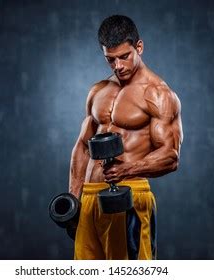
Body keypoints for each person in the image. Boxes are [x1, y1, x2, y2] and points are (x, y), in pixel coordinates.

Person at [68, 15, 183, 260]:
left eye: (124, 56)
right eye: (110, 60)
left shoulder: (158, 94)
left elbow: (171, 156)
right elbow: (82, 147)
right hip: (89, 199)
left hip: (129, 196)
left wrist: (128, 169)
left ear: (138, 47)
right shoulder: (98, 90)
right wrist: (74, 198)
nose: (118, 66)